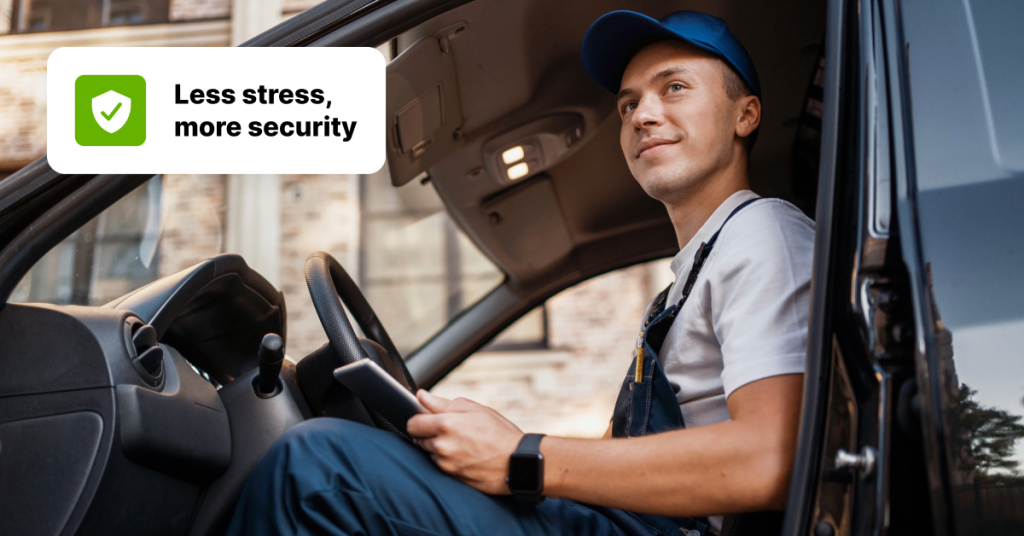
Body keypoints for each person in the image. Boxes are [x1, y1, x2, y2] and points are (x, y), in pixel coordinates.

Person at [227, 10, 815, 536]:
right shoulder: (684, 284)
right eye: (628, 104)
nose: (643, 115)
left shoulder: (763, 232)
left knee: (317, 469)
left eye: (675, 88)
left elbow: (773, 458)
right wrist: (500, 441)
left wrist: (521, 456)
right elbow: (619, 453)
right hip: (629, 518)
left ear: (745, 114)